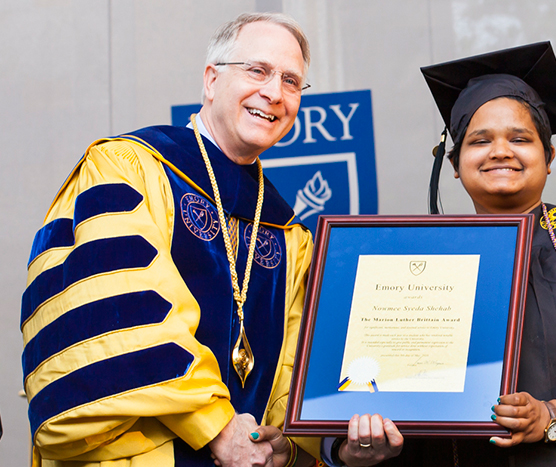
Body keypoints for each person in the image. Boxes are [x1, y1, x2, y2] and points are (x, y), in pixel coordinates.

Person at [20, 13, 401, 467]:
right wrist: (217, 427)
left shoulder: (289, 231)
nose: (274, 93)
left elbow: (291, 368)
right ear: (211, 80)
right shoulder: (128, 168)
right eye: (257, 71)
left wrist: (292, 442)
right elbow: (116, 316)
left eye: (292, 81)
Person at [372, 42, 556, 467]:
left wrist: (554, 415)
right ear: (455, 163)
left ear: (548, 157)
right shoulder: (419, 264)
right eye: (480, 141)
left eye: (520, 138)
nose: (500, 151)